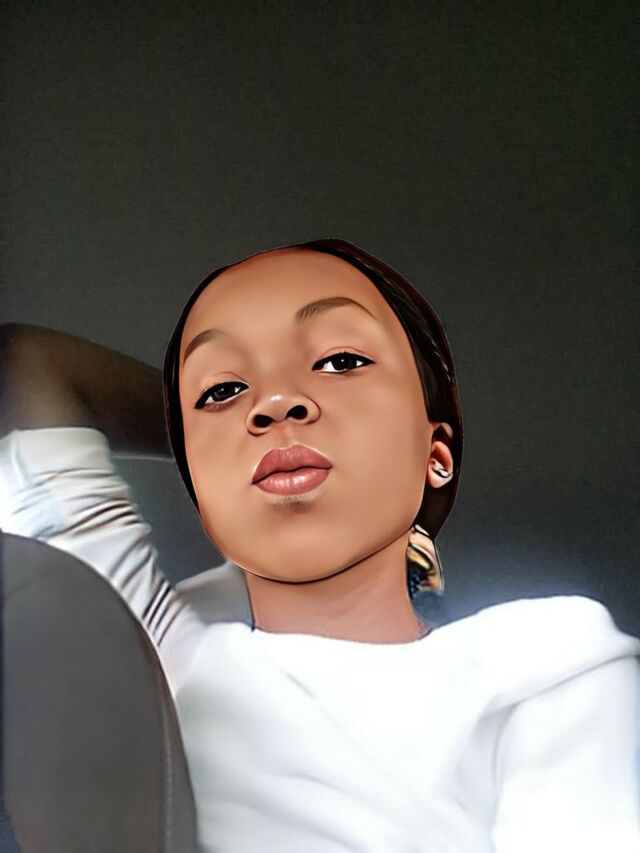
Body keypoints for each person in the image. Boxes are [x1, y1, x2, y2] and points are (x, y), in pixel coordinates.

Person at [1, 238, 638, 852]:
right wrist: (220, 447)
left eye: (341, 362)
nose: (276, 402)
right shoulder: (164, 653)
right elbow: (28, 366)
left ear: (436, 455)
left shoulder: (541, 655)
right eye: (222, 389)